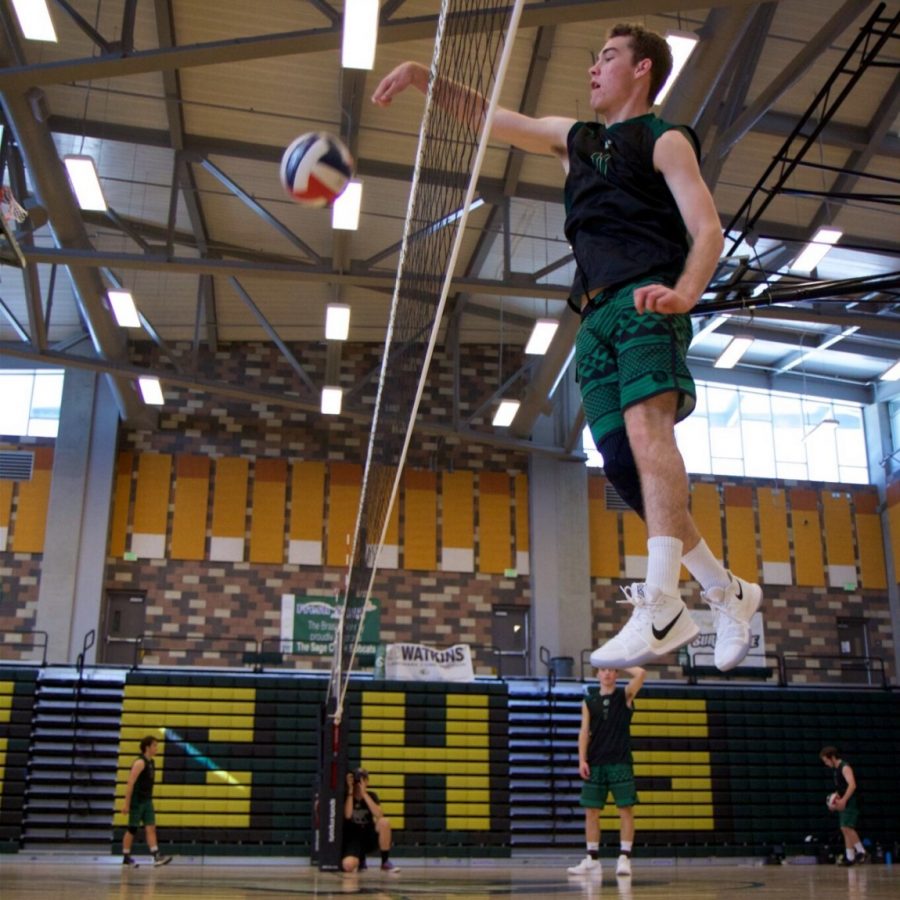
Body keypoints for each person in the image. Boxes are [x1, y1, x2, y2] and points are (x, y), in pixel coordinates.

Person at [373, 24, 763, 671]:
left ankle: (663, 601)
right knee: (620, 466)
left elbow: (707, 227)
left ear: (642, 70)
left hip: (646, 298)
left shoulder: (663, 140)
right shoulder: (574, 140)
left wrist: (685, 292)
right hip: (595, 315)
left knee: (648, 431)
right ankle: (727, 591)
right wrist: (421, 76)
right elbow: (491, 116)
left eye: (608, 57)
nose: (594, 68)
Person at [568, 666, 646, 878]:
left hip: (620, 761)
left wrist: (619, 659)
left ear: (617, 674)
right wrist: (582, 759)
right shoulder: (588, 700)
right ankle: (592, 859)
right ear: (598, 675)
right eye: (603, 670)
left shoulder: (625, 695)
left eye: (612, 670)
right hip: (595, 762)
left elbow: (640, 674)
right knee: (591, 811)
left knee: (626, 809)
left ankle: (624, 858)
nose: (607, 673)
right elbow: (584, 732)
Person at [121, 735, 172, 868]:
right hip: (137, 801)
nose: (157, 748)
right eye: (154, 745)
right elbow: (130, 783)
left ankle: (156, 856)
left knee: (151, 827)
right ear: (147, 747)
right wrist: (126, 803)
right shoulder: (140, 762)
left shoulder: (151, 762)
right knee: (132, 829)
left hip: (147, 800)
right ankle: (126, 856)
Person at [341, 767, 399, 873]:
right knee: (348, 865)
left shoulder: (372, 795)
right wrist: (350, 792)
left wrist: (364, 794)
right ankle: (360, 860)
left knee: (384, 822)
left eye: (363, 780)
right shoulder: (347, 796)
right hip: (353, 838)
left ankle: (385, 861)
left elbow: (379, 815)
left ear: (367, 781)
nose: (359, 783)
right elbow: (348, 815)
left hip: (369, 835)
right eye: (357, 780)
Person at [819, 746, 867, 866]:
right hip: (845, 800)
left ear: (833, 757)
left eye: (826, 761)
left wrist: (844, 800)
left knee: (847, 827)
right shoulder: (835, 769)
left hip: (852, 800)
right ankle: (850, 857)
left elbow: (852, 785)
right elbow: (841, 788)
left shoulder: (844, 767)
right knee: (844, 829)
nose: (826, 764)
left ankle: (861, 851)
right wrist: (833, 802)